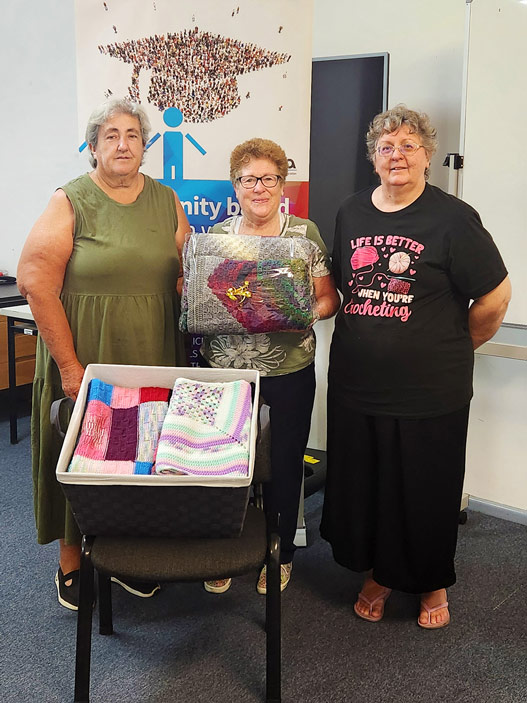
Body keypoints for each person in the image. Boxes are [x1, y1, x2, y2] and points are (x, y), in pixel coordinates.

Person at [321, 105, 511, 629]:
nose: (397, 156)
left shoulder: (453, 218)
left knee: (426, 490)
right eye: (386, 147)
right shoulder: (351, 212)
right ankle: (378, 574)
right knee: (367, 487)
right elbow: (343, 286)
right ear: (373, 159)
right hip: (357, 385)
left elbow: (495, 297)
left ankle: (431, 581)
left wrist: (454, 348)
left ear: (427, 155)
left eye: (409, 146)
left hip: (431, 392)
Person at [17, 98, 190, 611]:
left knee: (142, 447)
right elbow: (35, 282)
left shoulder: (167, 200)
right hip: (87, 351)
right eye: (110, 135)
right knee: (83, 450)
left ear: (145, 146)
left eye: (133, 135)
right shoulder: (70, 200)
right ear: (93, 147)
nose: (122, 144)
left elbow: (186, 273)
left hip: (153, 349)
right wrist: (70, 367)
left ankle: (131, 555)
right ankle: (72, 561)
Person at [197, 138, 340, 594]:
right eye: (248, 179)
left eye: (269, 178)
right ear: (235, 186)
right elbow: (201, 296)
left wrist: (304, 312)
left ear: (282, 184)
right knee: (222, 460)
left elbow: (329, 298)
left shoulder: (303, 234)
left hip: (288, 370)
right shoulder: (216, 237)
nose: (259, 188)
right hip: (227, 371)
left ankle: (280, 554)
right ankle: (223, 551)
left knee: (284, 462)